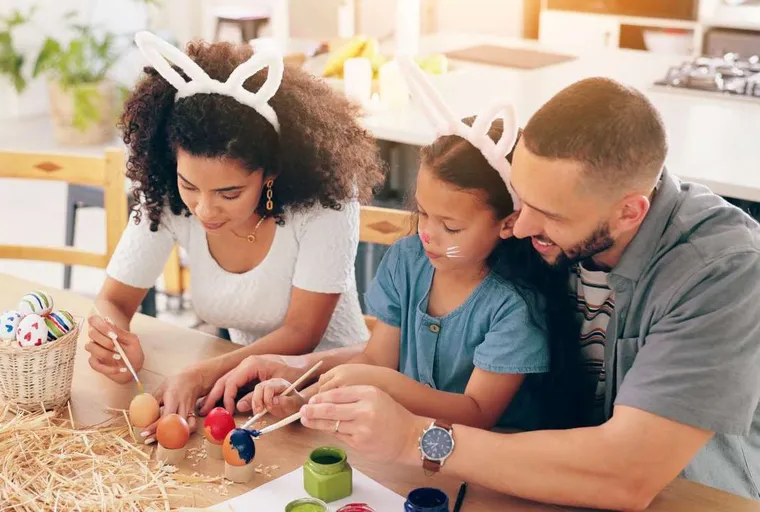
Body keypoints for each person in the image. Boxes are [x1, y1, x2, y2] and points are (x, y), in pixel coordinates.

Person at [231, 77, 760, 508]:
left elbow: (629, 473)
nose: (522, 227)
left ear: (629, 212)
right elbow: (428, 349)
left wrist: (416, 438)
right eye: (520, 200)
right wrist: (304, 369)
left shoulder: (722, 271)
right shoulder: (553, 230)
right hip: (538, 485)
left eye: (548, 215)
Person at [201, 60, 587, 432]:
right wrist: (299, 385)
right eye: (423, 213)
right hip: (401, 444)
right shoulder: (408, 260)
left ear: (507, 224)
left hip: (485, 460)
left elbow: (477, 413)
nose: (428, 235)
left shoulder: (513, 308)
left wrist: (375, 383)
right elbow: (376, 359)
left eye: (451, 227)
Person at [84, 32, 385, 436]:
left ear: (271, 171)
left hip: (329, 388)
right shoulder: (168, 198)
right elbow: (113, 299)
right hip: (242, 386)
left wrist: (203, 373)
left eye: (229, 193)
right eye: (189, 185)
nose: (205, 210)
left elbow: (302, 333)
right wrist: (113, 338)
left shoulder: (323, 206)